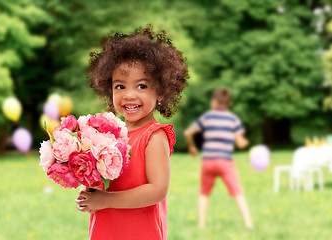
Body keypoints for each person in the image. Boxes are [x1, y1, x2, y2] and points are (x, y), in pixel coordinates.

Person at [75, 26, 188, 240]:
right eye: (120, 86)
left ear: (161, 92)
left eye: (142, 86)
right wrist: (89, 192)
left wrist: (105, 200)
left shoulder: (154, 136)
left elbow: (157, 190)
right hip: (105, 231)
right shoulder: (109, 136)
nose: (129, 95)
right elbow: (106, 180)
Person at [183, 87, 254, 229]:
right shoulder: (233, 119)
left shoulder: (207, 117)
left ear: (214, 102)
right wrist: (246, 142)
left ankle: (201, 225)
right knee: (237, 192)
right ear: (229, 104)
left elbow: (188, 132)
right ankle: (249, 224)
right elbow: (240, 143)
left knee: (204, 192)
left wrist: (192, 147)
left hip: (208, 161)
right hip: (225, 162)